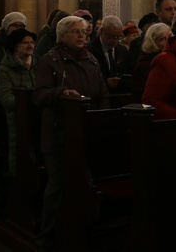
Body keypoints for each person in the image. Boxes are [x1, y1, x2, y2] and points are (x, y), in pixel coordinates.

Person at [33, 16, 109, 252]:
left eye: (84, 32)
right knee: (57, 186)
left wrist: (104, 118)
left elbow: (102, 93)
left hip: (87, 132)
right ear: (62, 35)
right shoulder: (50, 60)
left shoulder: (92, 60)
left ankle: (81, 230)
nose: (82, 36)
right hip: (59, 134)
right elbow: (40, 95)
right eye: (76, 32)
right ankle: (46, 237)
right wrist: (62, 92)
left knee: (86, 183)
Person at [0, 28, 38, 176]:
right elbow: (6, 99)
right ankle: (17, 180)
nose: (30, 45)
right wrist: (31, 100)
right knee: (19, 150)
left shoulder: (38, 62)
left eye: (32, 42)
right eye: (24, 43)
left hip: (38, 114)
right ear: (15, 45)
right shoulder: (5, 68)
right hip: (17, 117)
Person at [88, 15, 128, 93]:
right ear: (102, 31)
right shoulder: (89, 50)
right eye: (111, 36)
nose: (114, 41)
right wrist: (104, 83)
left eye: (118, 37)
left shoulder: (122, 50)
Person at [132, 23, 172, 95]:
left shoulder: (174, 58)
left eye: (170, 36)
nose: (168, 41)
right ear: (153, 42)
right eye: (162, 39)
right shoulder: (145, 63)